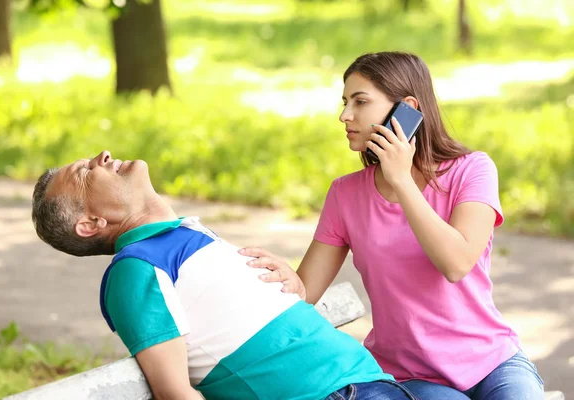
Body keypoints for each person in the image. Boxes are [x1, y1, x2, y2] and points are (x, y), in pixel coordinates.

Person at [239, 52, 545, 400]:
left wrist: (401, 179)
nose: (345, 115)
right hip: (412, 374)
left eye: (360, 101)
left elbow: (457, 263)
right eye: (345, 102)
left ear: (407, 109)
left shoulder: (472, 170)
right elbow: (307, 291)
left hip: (493, 361)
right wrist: (289, 280)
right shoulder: (345, 193)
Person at [30, 150, 419, 400]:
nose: (103, 155)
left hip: (371, 381)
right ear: (92, 223)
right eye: (84, 172)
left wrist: (295, 288)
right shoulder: (135, 269)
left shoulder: (187, 234)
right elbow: (175, 393)